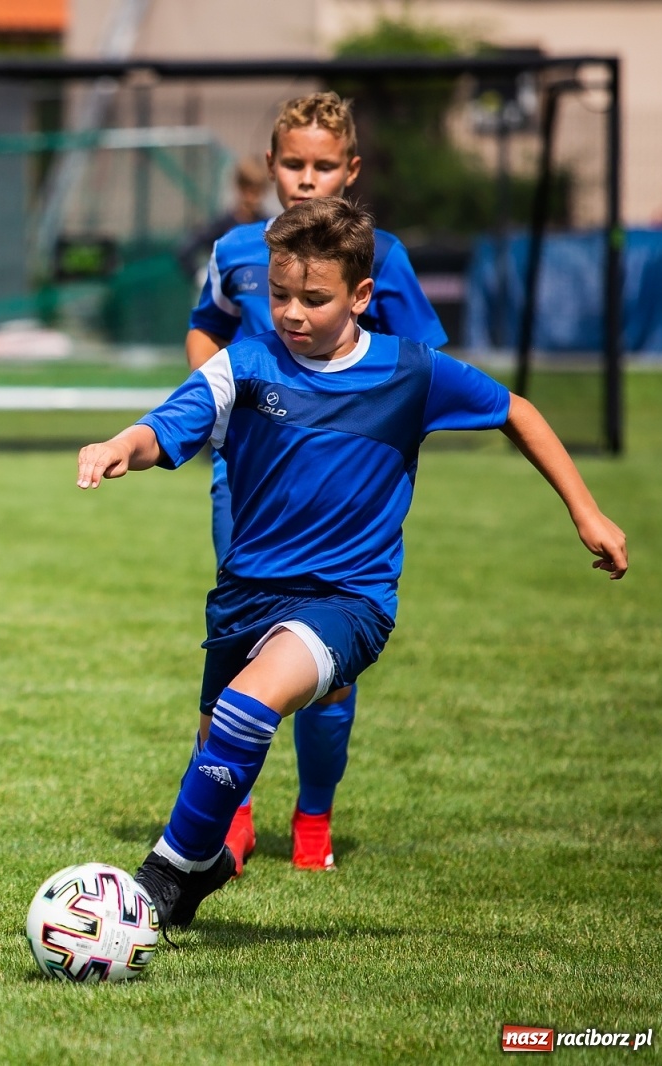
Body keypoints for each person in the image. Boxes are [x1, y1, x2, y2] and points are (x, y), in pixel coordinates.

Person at [78, 197, 626, 932]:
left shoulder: (410, 373)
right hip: (246, 596)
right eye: (278, 296)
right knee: (216, 740)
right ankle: (202, 862)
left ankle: (160, 881)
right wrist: (120, 447)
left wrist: (585, 511)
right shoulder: (247, 363)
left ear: (361, 296)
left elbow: (515, 410)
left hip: (348, 599)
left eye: (314, 298)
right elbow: (165, 426)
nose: (292, 313)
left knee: (248, 706)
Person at [184, 92, 447, 873]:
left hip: (341, 491)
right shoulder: (235, 249)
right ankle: (229, 815)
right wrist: (213, 396)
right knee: (243, 638)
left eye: (323, 166)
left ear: (350, 171)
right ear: (270, 167)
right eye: (293, 165)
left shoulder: (382, 257)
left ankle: (313, 818)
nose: (306, 179)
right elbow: (209, 326)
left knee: (322, 654)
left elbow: (421, 359)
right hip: (249, 479)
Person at [176, 159, 271, 277]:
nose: (253, 198)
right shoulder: (221, 225)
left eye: (258, 192)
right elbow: (186, 250)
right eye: (248, 190)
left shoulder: (269, 226)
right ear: (239, 187)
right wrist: (200, 276)